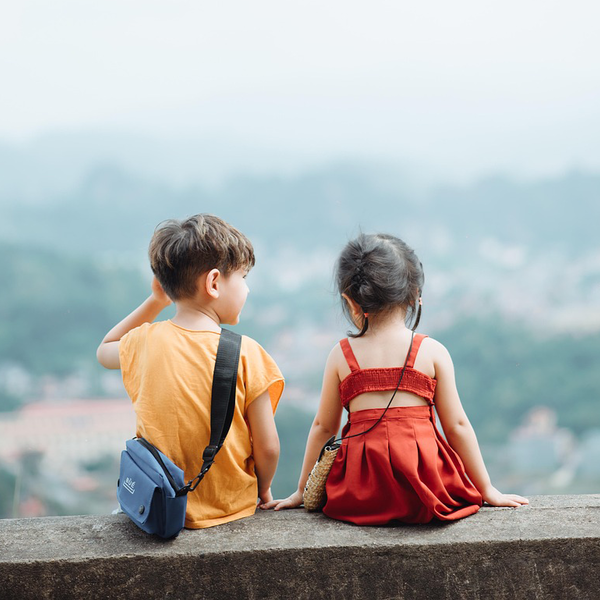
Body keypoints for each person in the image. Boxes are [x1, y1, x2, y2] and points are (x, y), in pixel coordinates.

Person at [264, 233, 528, 525]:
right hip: (425, 489)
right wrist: (487, 488)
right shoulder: (431, 352)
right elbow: (456, 426)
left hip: (359, 494)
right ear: (415, 295)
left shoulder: (340, 355)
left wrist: (302, 490)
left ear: (350, 301)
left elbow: (323, 427)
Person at [97, 214, 284, 528]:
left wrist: (156, 302)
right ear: (213, 283)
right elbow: (268, 447)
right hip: (231, 509)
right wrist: (262, 488)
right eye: (242, 277)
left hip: (162, 506)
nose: (247, 290)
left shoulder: (144, 342)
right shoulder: (248, 353)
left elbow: (105, 350)